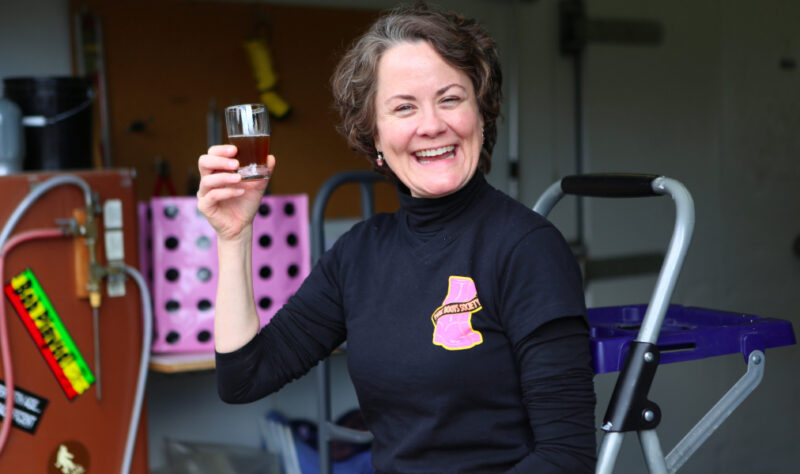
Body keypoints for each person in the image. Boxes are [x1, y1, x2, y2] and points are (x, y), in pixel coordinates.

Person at [197, 3, 596, 472]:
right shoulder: (359, 254)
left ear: (481, 114)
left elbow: (566, 458)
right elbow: (244, 379)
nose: (431, 124)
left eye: (450, 99)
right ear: (375, 138)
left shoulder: (527, 249)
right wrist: (235, 235)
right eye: (404, 107)